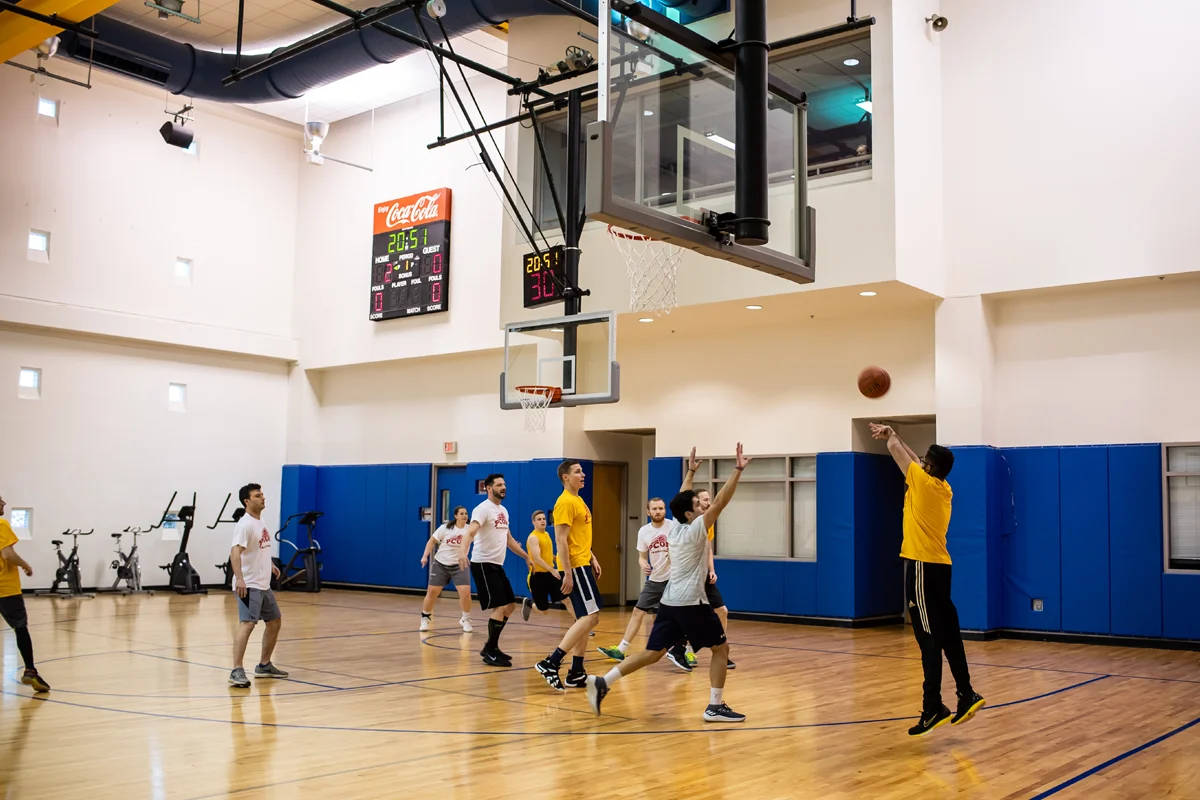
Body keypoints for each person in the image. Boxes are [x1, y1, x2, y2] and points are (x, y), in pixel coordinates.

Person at [588, 443, 751, 723]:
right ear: (690, 513)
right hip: (691, 602)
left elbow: (679, 498)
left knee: (653, 653)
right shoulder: (696, 529)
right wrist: (736, 470)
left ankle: (604, 681)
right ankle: (714, 706)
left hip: (670, 601)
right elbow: (722, 501)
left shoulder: (674, 526)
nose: (703, 505)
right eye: (698, 505)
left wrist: (689, 472)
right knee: (721, 649)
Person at [870, 423, 986, 736]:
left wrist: (891, 438)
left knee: (927, 640)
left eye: (924, 461)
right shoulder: (942, 487)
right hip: (941, 567)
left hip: (921, 567)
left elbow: (899, 455)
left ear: (928, 467)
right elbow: (914, 461)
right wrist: (896, 433)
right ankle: (966, 694)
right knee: (949, 634)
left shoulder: (920, 481)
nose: (919, 463)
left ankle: (932, 707)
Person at [534, 459, 603, 691]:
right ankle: (551, 662)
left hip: (583, 562)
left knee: (585, 618)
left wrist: (592, 555)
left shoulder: (578, 500)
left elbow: (578, 536)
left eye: (582, 471)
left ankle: (576, 671)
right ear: (566, 477)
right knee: (590, 617)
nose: (583, 474)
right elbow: (561, 540)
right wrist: (568, 573)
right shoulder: (564, 502)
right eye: (577, 472)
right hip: (575, 567)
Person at [458, 474, 532, 667]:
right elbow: (470, 532)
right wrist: (462, 552)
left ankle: (491, 647)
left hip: (496, 565)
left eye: (504, 484)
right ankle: (490, 651)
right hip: (483, 563)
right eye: (499, 485)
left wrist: (526, 557)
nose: (503, 487)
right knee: (499, 606)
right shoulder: (482, 509)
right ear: (489, 488)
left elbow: (509, 540)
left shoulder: (504, 511)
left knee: (510, 605)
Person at [597, 498, 672, 661]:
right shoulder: (644, 531)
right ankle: (621, 650)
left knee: (680, 615)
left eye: (661, 508)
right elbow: (642, 557)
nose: (658, 511)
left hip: (674, 580)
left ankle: (686, 652)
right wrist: (644, 564)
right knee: (638, 612)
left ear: (665, 510)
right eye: (655, 509)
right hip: (654, 579)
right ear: (648, 512)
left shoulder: (673, 527)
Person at [229, 483, 288, 688]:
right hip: (249, 584)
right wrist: (239, 579)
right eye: (257, 495)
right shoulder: (244, 525)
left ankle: (264, 666)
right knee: (248, 624)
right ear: (247, 501)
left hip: (263, 584)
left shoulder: (260, 520)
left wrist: (270, 564)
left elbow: (259, 548)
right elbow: (235, 552)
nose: (263, 498)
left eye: (262, 494)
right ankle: (236, 670)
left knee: (274, 621)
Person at [0, 494, 50, 692]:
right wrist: (25, 565)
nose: (4, 503)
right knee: (20, 628)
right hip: (5, 588)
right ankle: (30, 670)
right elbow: (8, 554)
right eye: (0, 500)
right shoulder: (2, 525)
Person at [419, 506, 473, 633]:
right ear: (455, 516)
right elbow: (432, 541)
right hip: (441, 564)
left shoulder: (470, 530)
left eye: (466, 513)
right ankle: (425, 617)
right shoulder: (445, 528)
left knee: (465, 593)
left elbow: (483, 540)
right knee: (432, 593)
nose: (464, 515)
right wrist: (425, 555)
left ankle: (466, 619)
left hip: (460, 565)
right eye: (462, 513)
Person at [522, 510, 564, 619]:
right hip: (538, 576)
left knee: (567, 599)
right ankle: (529, 603)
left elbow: (548, 554)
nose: (542, 521)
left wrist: (557, 559)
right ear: (533, 522)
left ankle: (580, 624)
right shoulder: (533, 537)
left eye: (544, 519)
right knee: (544, 611)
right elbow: (537, 558)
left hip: (550, 574)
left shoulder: (547, 534)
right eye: (539, 519)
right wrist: (552, 570)